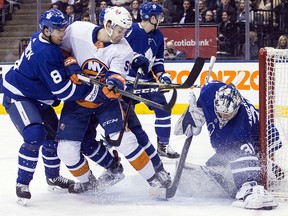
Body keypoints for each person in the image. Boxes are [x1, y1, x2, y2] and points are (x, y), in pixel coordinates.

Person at [56, 6, 171, 194]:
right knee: (66, 150)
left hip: (105, 103)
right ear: (108, 25)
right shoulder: (77, 30)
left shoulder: (123, 49)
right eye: (119, 31)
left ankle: (153, 180)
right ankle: (89, 182)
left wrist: (112, 84)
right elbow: (59, 50)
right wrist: (69, 62)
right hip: (77, 100)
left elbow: (116, 79)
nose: (121, 35)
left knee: (125, 140)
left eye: (124, 31)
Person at [0, 8, 109, 205]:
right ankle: (22, 184)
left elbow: (62, 63)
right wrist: (90, 91)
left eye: (63, 29)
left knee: (53, 138)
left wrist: (70, 63)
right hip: (18, 95)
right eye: (58, 30)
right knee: (34, 135)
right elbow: (64, 92)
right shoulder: (46, 52)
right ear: (47, 30)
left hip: (37, 97)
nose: (63, 34)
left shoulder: (41, 38)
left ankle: (53, 177)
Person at [175, 80, 281, 209]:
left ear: (236, 109)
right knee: (217, 162)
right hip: (248, 131)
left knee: (238, 153)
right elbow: (212, 85)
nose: (223, 117)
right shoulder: (210, 91)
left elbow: (233, 147)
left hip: (265, 135)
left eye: (227, 115)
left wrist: (249, 179)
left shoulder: (239, 128)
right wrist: (198, 108)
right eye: (219, 113)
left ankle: (255, 179)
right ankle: (260, 163)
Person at [125, 2, 180, 159]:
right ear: (151, 17)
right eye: (159, 16)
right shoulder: (132, 30)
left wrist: (162, 75)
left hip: (146, 79)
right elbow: (120, 51)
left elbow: (157, 61)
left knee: (163, 107)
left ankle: (163, 145)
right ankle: (114, 141)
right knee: (124, 113)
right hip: (127, 80)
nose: (161, 19)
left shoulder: (158, 36)